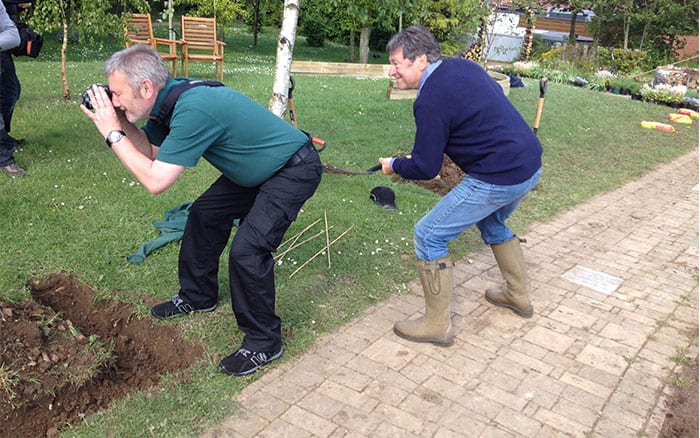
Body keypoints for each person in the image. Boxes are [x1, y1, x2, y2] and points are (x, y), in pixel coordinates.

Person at [80, 44, 323, 376]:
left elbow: (156, 180)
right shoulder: (169, 100)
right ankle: (198, 296)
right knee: (204, 214)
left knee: (248, 251)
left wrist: (111, 132)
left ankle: (265, 343)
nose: (116, 100)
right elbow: (150, 153)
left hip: (292, 170)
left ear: (146, 87)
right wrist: (120, 121)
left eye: (119, 94)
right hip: (254, 171)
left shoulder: (194, 108)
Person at [378, 26, 543, 347]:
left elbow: (426, 166)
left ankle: (437, 324)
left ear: (421, 60)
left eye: (397, 63)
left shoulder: (429, 100)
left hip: (498, 175)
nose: (391, 70)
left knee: (429, 234)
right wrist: (418, 156)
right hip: (529, 164)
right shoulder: (462, 67)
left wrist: (395, 164)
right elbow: (466, 123)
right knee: (493, 222)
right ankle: (518, 295)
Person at [1, 0, 28, 147]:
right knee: (9, 91)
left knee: (12, 90)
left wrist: (17, 7)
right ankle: (2, 141)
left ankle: (3, 136)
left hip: (5, 40)